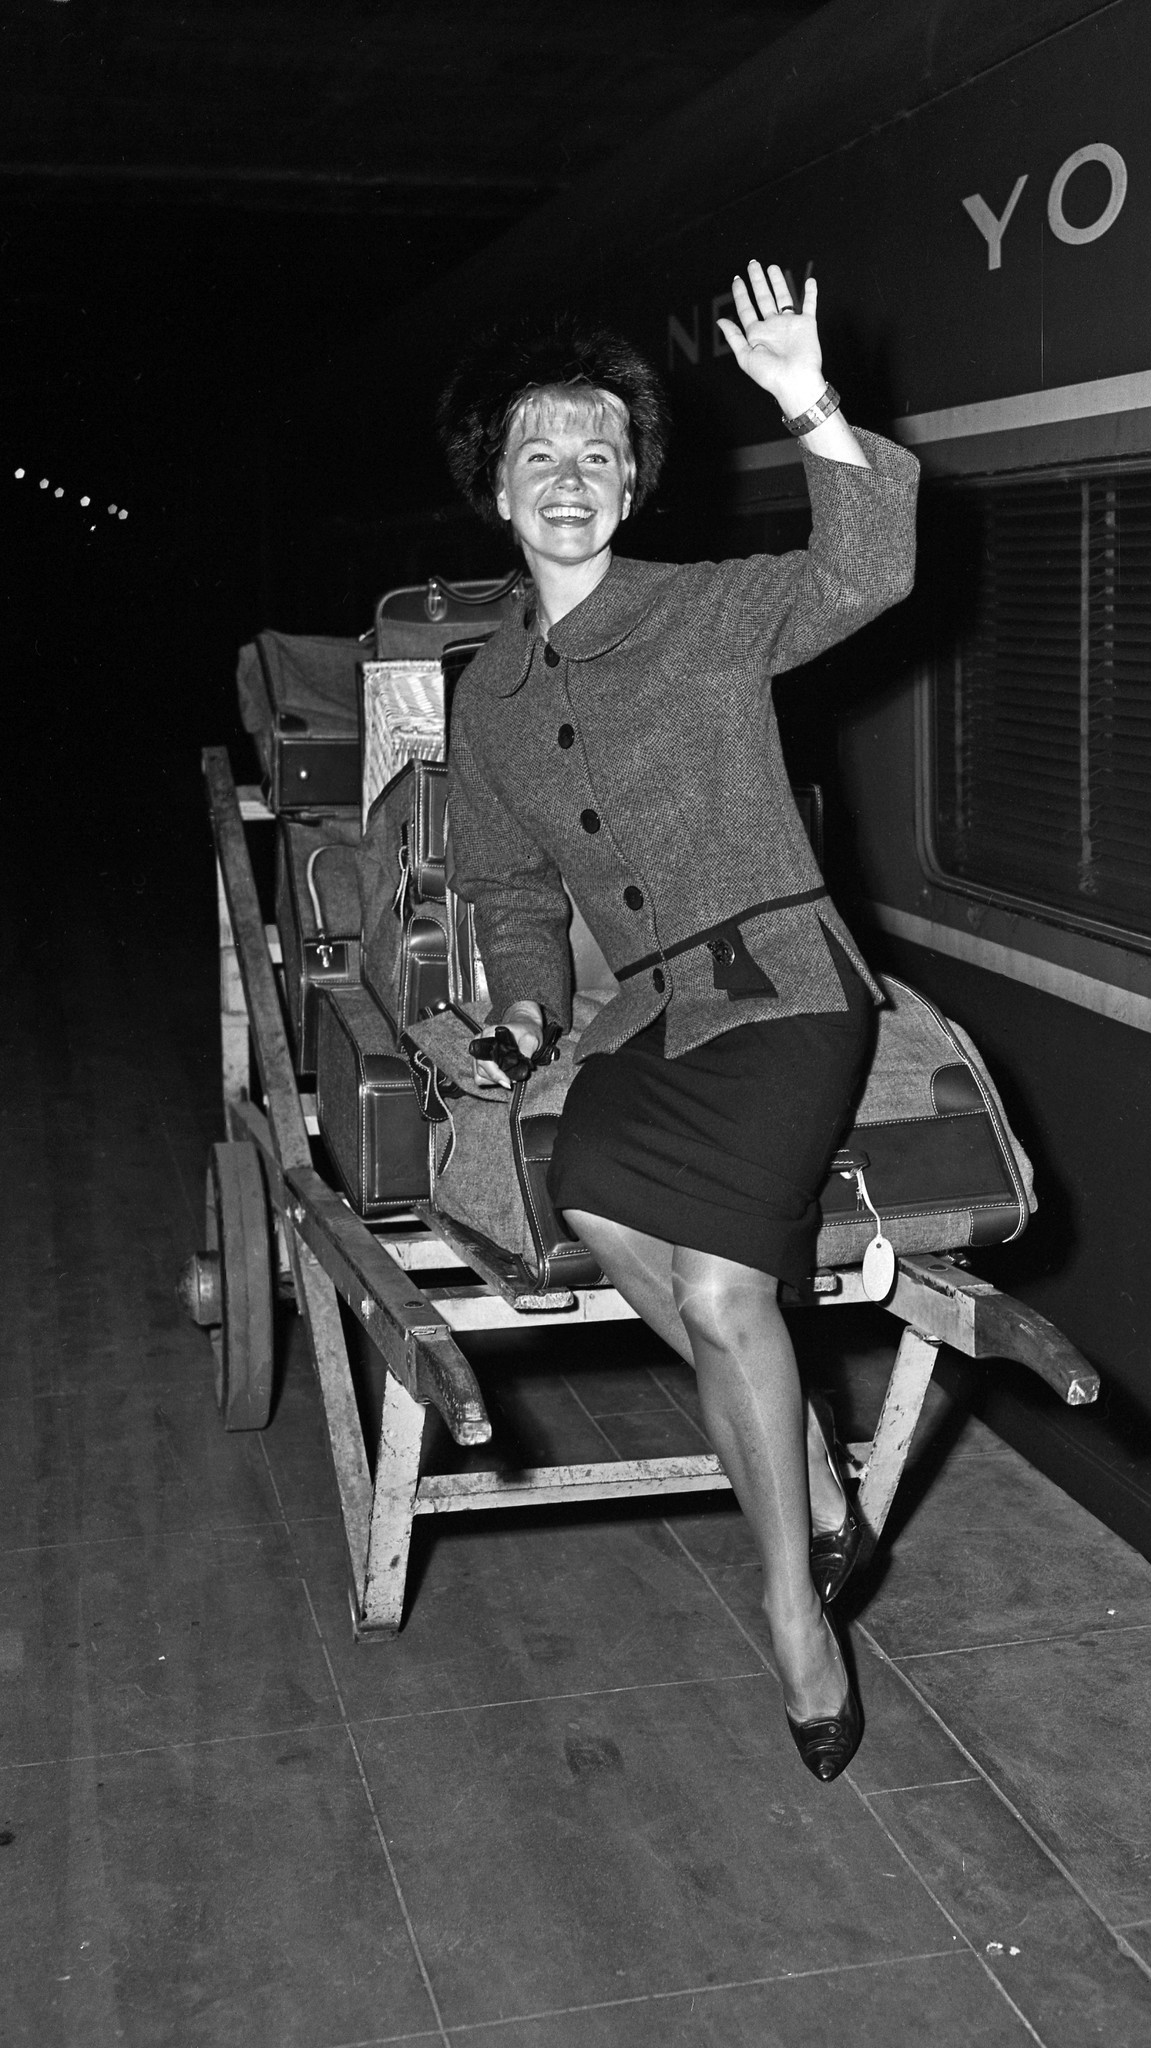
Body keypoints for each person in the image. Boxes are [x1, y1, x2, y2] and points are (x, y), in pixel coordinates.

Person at [439, 261, 918, 1780]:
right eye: (539, 455)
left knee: (719, 1298)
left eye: (597, 454)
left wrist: (807, 401)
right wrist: (524, 1011)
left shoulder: (707, 613)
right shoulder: (489, 695)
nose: (568, 480)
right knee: (596, 1201)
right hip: (652, 1013)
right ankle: (823, 1489)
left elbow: (868, 573)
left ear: (635, 482)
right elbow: (514, 895)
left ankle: (795, 1611)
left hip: (785, 985)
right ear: (496, 490)